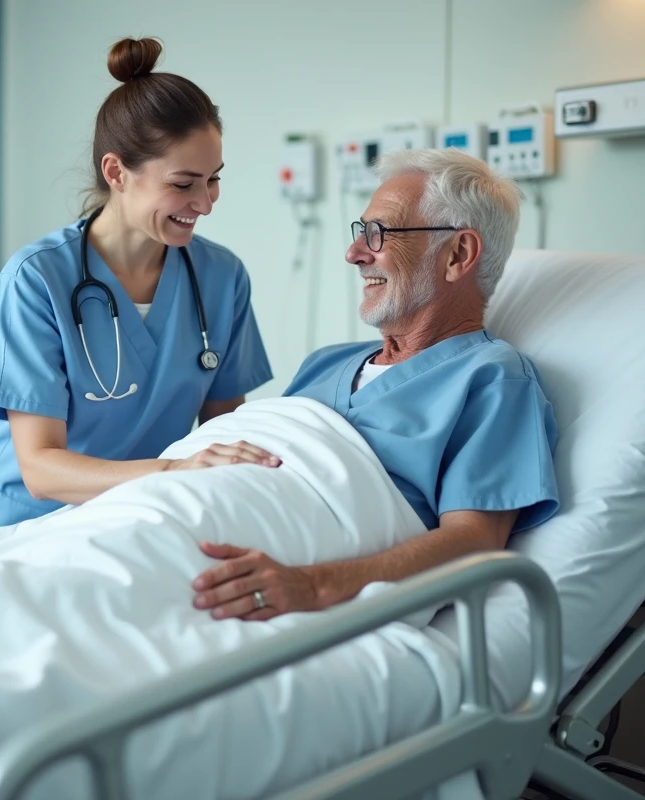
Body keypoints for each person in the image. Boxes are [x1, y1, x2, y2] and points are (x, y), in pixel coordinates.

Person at [189, 148, 561, 620]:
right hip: (194, 513)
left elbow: (474, 541)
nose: (354, 253)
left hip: (254, 567)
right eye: (360, 231)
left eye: (380, 233)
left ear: (458, 254)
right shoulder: (326, 363)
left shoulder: (493, 380)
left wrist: (314, 585)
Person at [0, 37, 277, 530]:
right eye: (183, 183)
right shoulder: (38, 279)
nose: (205, 203)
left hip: (137, 517)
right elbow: (41, 469)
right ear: (116, 172)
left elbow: (219, 435)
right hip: (23, 523)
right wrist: (173, 473)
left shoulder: (222, 277)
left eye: (213, 179)